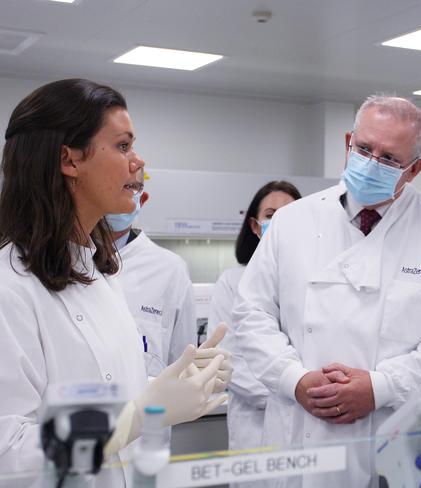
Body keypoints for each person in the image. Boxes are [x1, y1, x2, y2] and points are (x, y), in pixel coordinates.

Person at [0, 79, 229, 486]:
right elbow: (11, 457)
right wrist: (137, 416)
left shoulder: (101, 275)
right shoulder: (9, 287)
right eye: (123, 146)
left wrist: (170, 385)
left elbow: (112, 395)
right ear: (69, 160)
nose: (138, 162)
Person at [232, 95, 421, 487]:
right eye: (364, 148)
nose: (371, 163)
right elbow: (251, 315)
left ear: (415, 168)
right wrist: (295, 379)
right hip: (298, 437)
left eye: (389, 159)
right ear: (347, 143)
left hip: (396, 441)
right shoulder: (291, 222)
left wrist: (380, 386)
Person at [207, 181, 301, 456]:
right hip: (254, 425)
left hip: (307, 423)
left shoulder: (317, 284)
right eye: (271, 215)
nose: (281, 222)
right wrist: (293, 393)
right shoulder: (232, 282)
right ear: (255, 226)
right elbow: (228, 359)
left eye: (291, 214)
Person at [106, 168, 196, 377]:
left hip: (151, 408)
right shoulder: (64, 260)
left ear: (142, 199)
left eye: (130, 187)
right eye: (113, 187)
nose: (120, 195)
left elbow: (183, 363)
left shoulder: (170, 269)